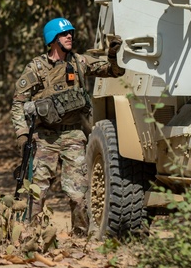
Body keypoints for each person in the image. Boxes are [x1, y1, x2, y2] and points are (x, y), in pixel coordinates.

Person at [10, 18, 124, 236]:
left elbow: (114, 71)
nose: (70, 36)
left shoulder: (80, 62)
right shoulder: (37, 67)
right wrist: (22, 134)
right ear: (53, 39)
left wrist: (112, 55)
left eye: (71, 33)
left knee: (78, 193)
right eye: (64, 34)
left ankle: (80, 237)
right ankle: (32, 236)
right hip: (44, 138)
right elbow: (18, 103)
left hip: (73, 135)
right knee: (37, 192)